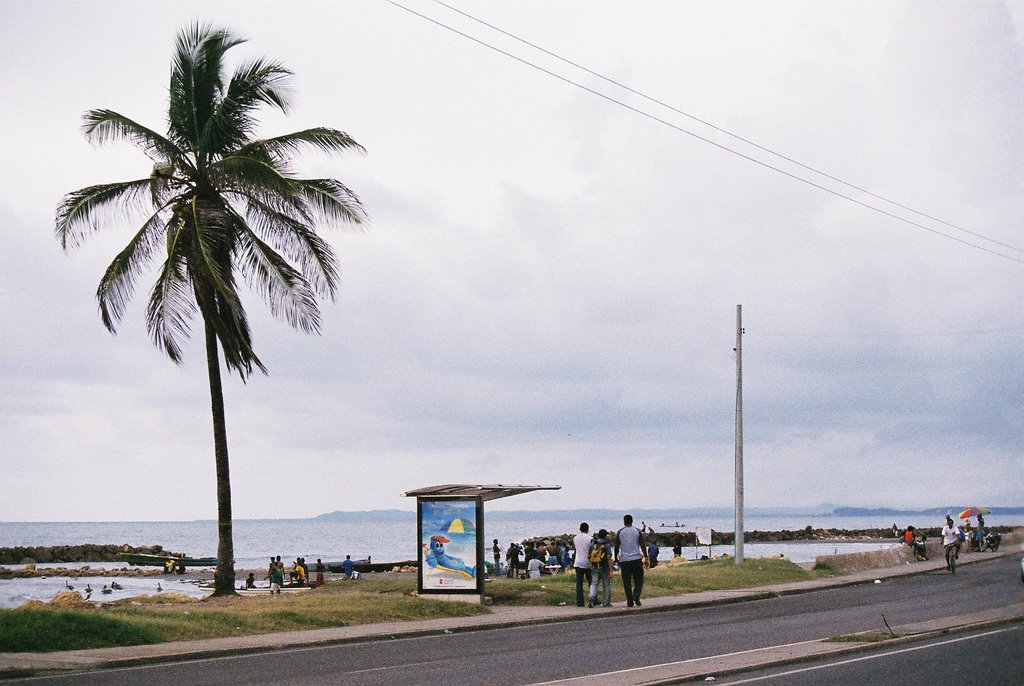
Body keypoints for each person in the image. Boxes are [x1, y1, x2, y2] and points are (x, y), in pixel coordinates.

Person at [615, 514, 647, 607]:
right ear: (632, 521)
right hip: (636, 559)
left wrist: (616, 558)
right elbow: (642, 545)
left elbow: (616, 546)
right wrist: (646, 556)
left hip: (624, 560)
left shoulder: (620, 532)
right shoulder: (637, 531)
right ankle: (636, 595)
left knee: (626, 581)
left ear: (624, 521)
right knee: (639, 579)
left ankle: (629, 600)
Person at [588, 528, 613, 608]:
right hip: (604, 566)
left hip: (595, 566)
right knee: (606, 584)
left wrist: (592, 562)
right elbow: (609, 557)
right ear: (605, 536)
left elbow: (588, 556)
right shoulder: (607, 545)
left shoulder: (593, 544)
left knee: (594, 583)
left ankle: (591, 598)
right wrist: (611, 570)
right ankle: (606, 602)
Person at [572, 522, 593, 607]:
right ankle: (593, 599)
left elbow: (576, 549)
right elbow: (591, 550)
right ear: (587, 529)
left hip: (578, 562)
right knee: (591, 582)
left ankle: (580, 602)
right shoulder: (590, 538)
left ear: (580, 529)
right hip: (587, 562)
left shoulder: (575, 538)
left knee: (579, 583)